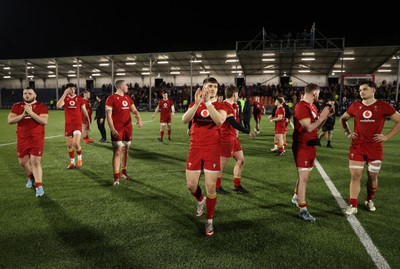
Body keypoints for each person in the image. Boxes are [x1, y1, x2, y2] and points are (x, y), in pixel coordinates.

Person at [340, 81, 400, 215]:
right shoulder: (355, 105)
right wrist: (347, 132)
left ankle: (369, 199)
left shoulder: (383, 106)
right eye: (360, 90)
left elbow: (399, 120)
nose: (361, 92)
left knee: (372, 176)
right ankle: (353, 204)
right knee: (355, 176)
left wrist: (387, 136)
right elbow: (343, 119)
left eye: (365, 89)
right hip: (358, 146)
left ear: (373, 90)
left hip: (375, 147)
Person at [182, 77, 228, 237]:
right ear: (202, 88)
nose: (213, 88)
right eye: (210, 86)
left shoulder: (221, 105)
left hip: (212, 150)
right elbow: (184, 120)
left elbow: (220, 121)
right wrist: (196, 103)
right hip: (195, 148)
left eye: (215, 86)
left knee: (210, 187)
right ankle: (200, 199)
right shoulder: (196, 103)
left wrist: (208, 103)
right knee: (190, 185)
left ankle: (209, 221)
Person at [291, 83, 331, 222]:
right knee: (304, 178)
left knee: (305, 174)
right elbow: (308, 128)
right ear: (314, 93)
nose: (318, 96)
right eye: (318, 93)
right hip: (302, 146)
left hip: (310, 145)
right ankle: (303, 209)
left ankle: (296, 196)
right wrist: (321, 118)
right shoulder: (302, 106)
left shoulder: (312, 106)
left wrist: (324, 117)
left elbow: (315, 126)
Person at [7, 87, 48, 197]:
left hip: (36, 138)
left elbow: (44, 120)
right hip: (22, 139)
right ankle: (30, 176)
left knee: (35, 162)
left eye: (30, 93)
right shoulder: (17, 106)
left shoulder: (41, 106)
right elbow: (10, 120)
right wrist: (22, 115)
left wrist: (31, 113)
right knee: (22, 162)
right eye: (25, 93)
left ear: (35, 95)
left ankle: (39, 186)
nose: (27, 95)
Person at [216, 85, 256, 195]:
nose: (238, 96)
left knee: (240, 160)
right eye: (237, 94)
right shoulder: (224, 105)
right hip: (226, 138)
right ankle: (217, 186)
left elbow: (237, 120)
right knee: (222, 164)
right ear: (234, 95)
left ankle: (237, 185)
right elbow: (232, 122)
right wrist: (248, 131)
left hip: (234, 137)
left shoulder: (234, 105)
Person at [106, 80, 142, 186]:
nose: (128, 86)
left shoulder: (128, 98)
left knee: (126, 150)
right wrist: (112, 129)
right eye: (126, 85)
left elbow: (134, 111)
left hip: (128, 128)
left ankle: (124, 172)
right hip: (117, 128)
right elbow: (108, 116)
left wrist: (139, 119)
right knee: (117, 151)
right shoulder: (111, 98)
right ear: (121, 86)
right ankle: (116, 178)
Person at [57, 83, 90, 169]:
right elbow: (58, 105)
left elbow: (84, 111)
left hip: (77, 124)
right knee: (69, 145)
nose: (73, 90)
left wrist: (88, 122)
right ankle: (72, 162)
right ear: (67, 90)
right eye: (71, 89)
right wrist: (64, 94)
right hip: (68, 125)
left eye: (74, 89)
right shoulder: (65, 98)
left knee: (75, 143)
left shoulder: (79, 99)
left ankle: (79, 159)